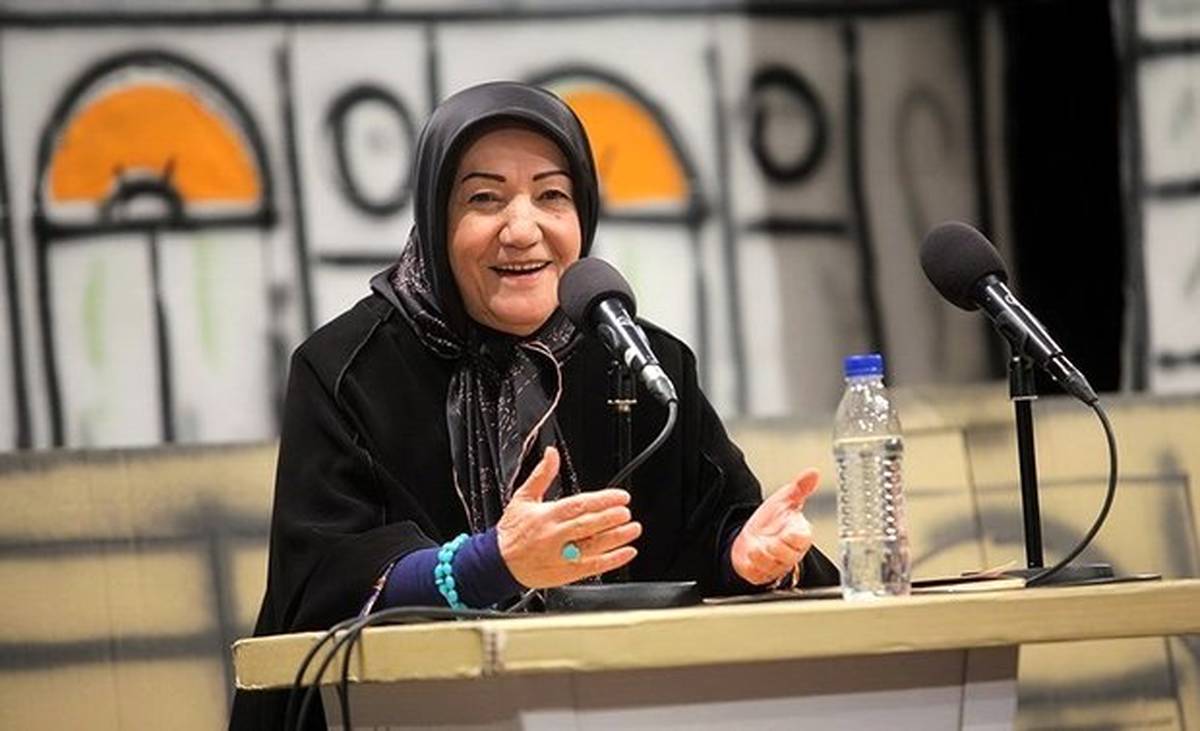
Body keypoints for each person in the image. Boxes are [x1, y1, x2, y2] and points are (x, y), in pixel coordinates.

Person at [229, 81, 838, 730]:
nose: (523, 231)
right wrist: (491, 563)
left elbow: (710, 533)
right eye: (484, 199)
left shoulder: (643, 363)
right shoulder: (347, 369)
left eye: (552, 196)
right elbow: (320, 590)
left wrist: (749, 558)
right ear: (435, 220)